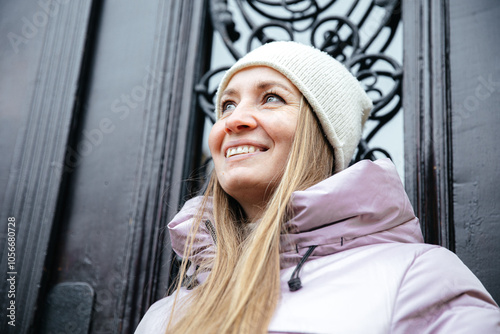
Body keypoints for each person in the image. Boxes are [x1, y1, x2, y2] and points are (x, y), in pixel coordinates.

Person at [135, 41, 500, 334]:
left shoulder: (417, 276)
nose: (234, 120)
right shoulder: (164, 316)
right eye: (227, 105)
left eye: (271, 97)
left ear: (323, 135)